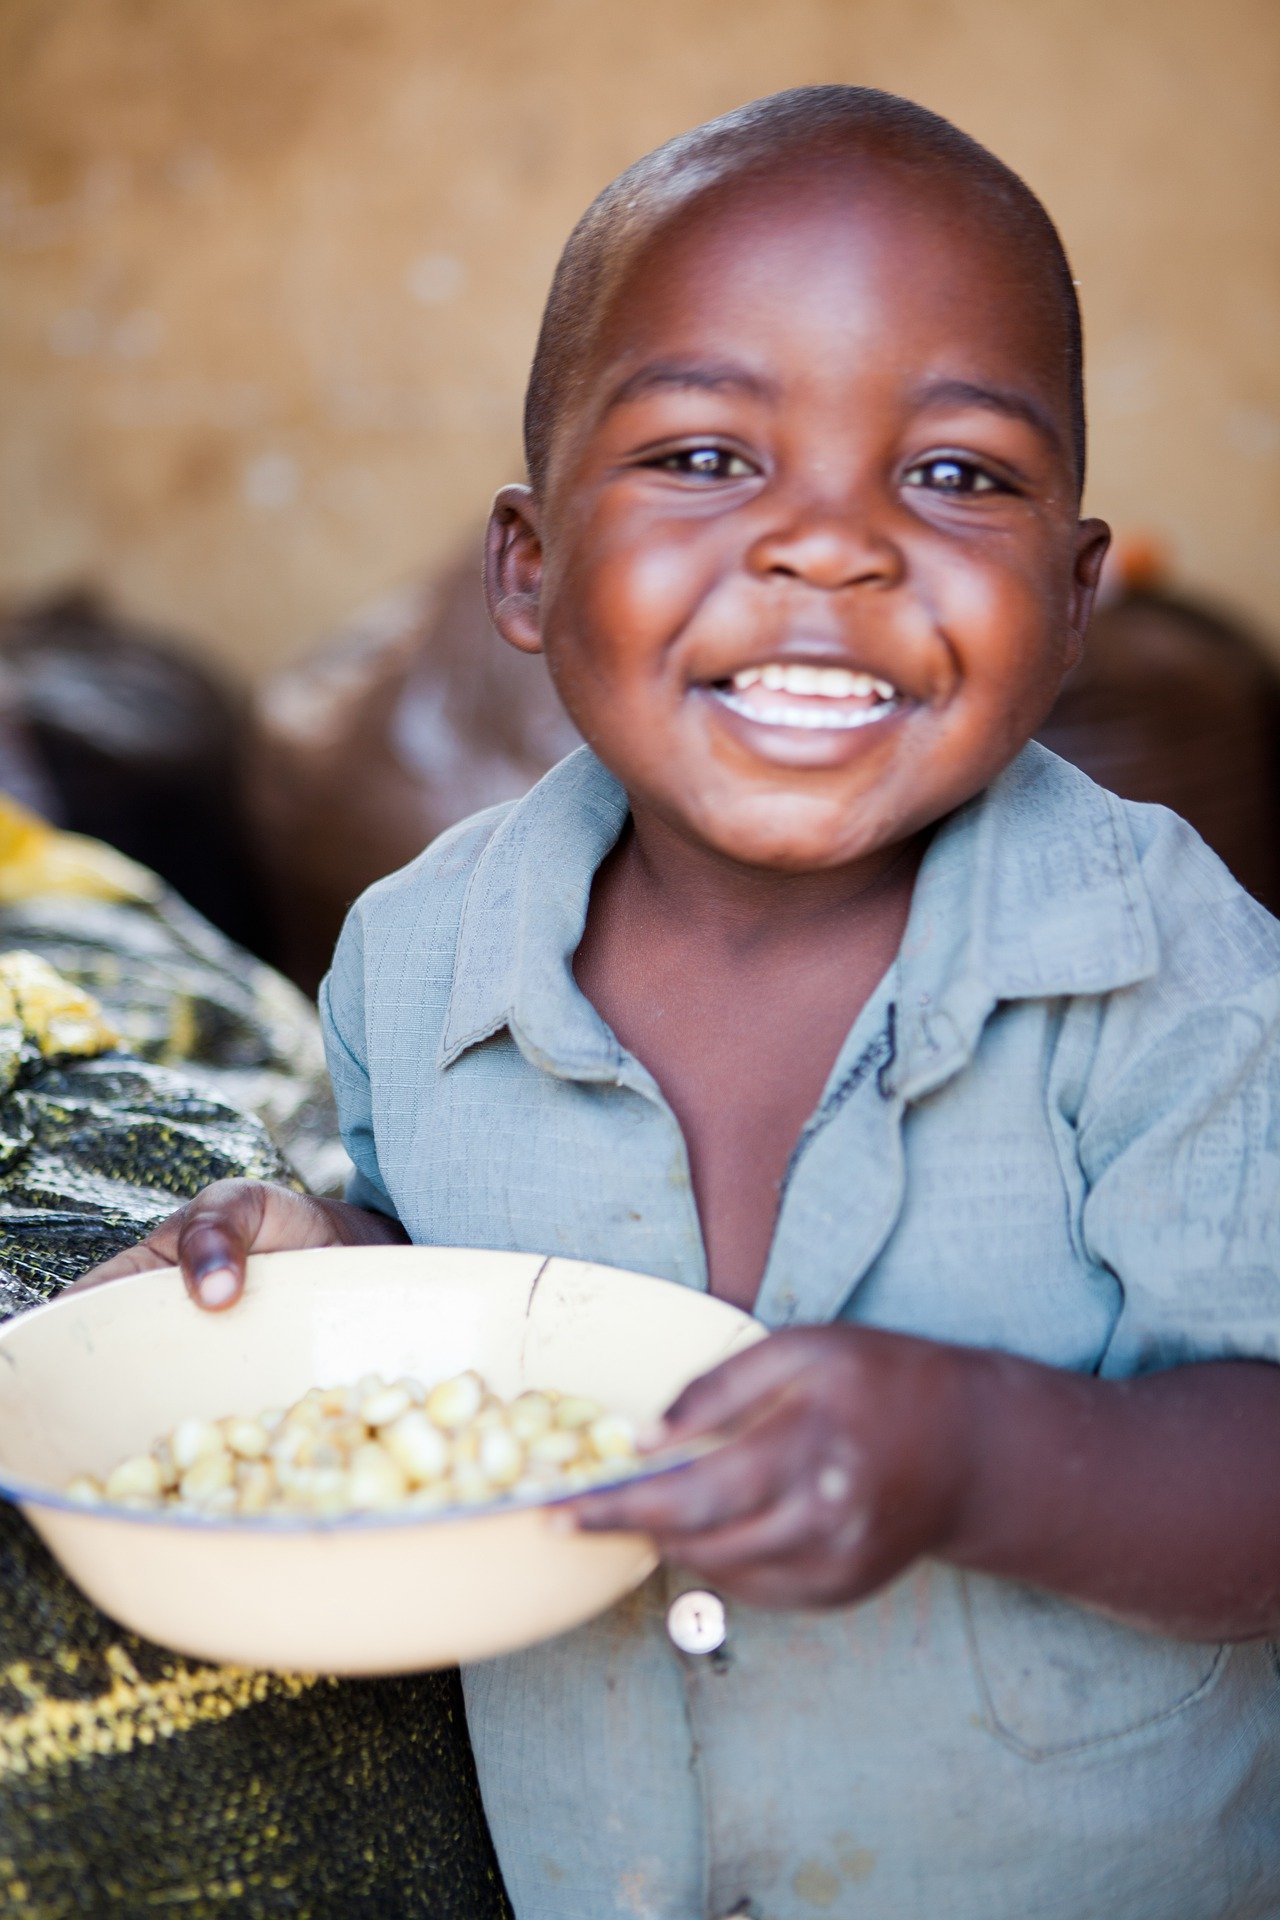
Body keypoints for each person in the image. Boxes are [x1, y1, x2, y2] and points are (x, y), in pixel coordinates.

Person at [84, 88, 1280, 1920]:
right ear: (530, 564)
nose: (829, 546)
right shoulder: (420, 965)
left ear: (1075, 597)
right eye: (708, 458)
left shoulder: (1174, 975)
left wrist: (978, 1460)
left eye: (956, 474)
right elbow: (467, 1294)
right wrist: (324, 1263)